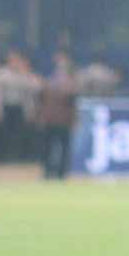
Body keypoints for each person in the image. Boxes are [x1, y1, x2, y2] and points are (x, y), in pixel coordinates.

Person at [38, 50, 79, 180]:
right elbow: (41, 100)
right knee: (48, 148)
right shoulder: (48, 82)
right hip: (51, 120)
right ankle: (48, 172)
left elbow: (73, 101)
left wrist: (74, 120)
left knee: (63, 148)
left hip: (63, 120)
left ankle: (61, 173)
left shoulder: (70, 83)